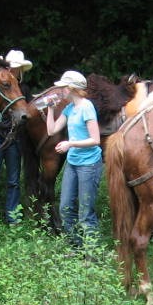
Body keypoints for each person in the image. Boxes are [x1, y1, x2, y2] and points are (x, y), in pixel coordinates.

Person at [45, 70, 101, 249]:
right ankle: (76, 248)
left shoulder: (86, 107)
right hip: (73, 163)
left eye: (62, 88)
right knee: (65, 209)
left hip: (89, 165)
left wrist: (70, 144)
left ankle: (92, 256)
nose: (60, 91)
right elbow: (51, 130)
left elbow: (96, 140)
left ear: (71, 89)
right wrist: (50, 109)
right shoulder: (69, 109)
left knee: (86, 213)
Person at [0, 49, 33, 224]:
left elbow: (27, 109)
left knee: (13, 180)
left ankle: (13, 217)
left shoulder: (23, 88)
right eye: (13, 67)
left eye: (18, 68)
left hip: (14, 137)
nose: (15, 71)